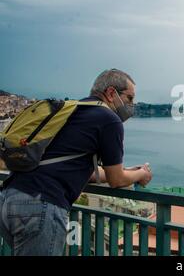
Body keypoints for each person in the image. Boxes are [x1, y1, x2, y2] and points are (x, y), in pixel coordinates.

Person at [0, 68, 152, 255]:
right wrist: (141, 174)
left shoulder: (72, 110)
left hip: (9, 197)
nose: (132, 105)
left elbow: (81, 169)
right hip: (41, 204)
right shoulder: (109, 120)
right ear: (111, 93)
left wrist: (128, 170)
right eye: (129, 98)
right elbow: (117, 179)